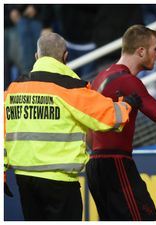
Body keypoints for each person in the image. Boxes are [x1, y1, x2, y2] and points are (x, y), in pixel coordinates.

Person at [4, 32, 140, 221]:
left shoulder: (13, 89)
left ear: (37, 56)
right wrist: (128, 104)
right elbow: (110, 118)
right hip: (60, 183)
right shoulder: (71, 88)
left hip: (24, 181)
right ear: (65, 57)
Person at [86, 24, 156, 221]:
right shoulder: (128, 81)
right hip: (116, 163)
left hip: (96, 164)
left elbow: (88, 134)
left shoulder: (100, 77)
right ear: (141, 51)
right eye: (155, 49)